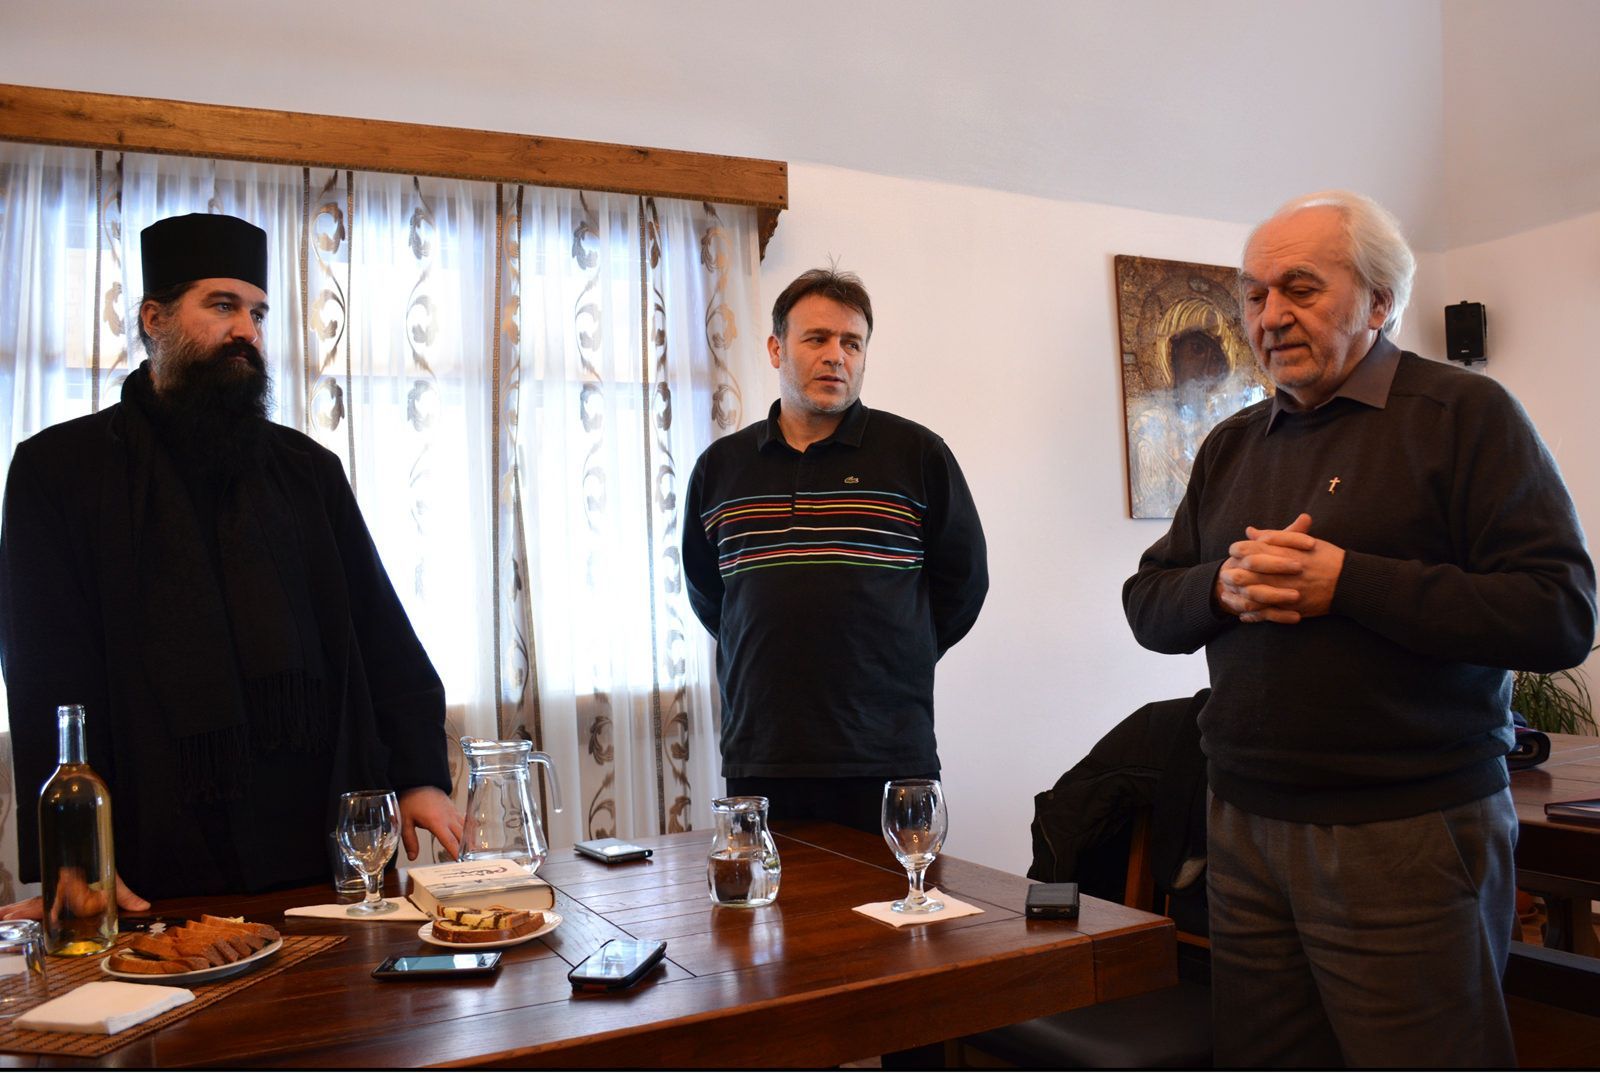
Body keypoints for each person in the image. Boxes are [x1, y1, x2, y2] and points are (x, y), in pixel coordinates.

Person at [1123, 190, 1597, 1066]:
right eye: (1254, 294)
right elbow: (1147, 602)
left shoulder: (1464, 416)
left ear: (1379, 301)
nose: (1270, 315)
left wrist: (1349, 582)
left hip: (1406, 832)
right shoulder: (1231, 444)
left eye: (1300, 288)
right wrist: (1221, 588)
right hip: (1245, 825)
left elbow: (1559, 611)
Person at [0, 213, 462, 910]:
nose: (246, 329)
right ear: (154, 318)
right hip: (150, 863)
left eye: (257, 313)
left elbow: (379, 632)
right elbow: (46, 677)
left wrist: (419, 776)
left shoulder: (307, 471)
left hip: (315, 859)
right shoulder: (59, 472)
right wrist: (74, 854)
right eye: (222, 306)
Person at [682, 268, 988, 834]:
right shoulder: (720, 468)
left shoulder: (918, 455)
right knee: (763, 893)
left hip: (888, 752)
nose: (836, 356)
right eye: (817, 338)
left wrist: (896, 652)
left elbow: (964, 585)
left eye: (852, 343)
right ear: (776, 348)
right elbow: (710, 595)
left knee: (905, 892)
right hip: (762, 752)